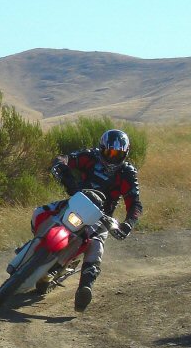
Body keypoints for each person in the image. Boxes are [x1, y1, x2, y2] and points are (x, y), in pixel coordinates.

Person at [33, 129, 143, 312]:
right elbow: (65, 158)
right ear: (102, 149)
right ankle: (35, 244)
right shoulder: (90, 156)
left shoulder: (127, 173)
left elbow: (135, 203)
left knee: (96, 245)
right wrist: (62, 169)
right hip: (76, 202)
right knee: (40, 213)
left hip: (101, 218)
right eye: (109, 152)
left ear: (126, 154)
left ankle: (85, 288)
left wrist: (127, 224)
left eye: (118, 154)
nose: (113, 158)